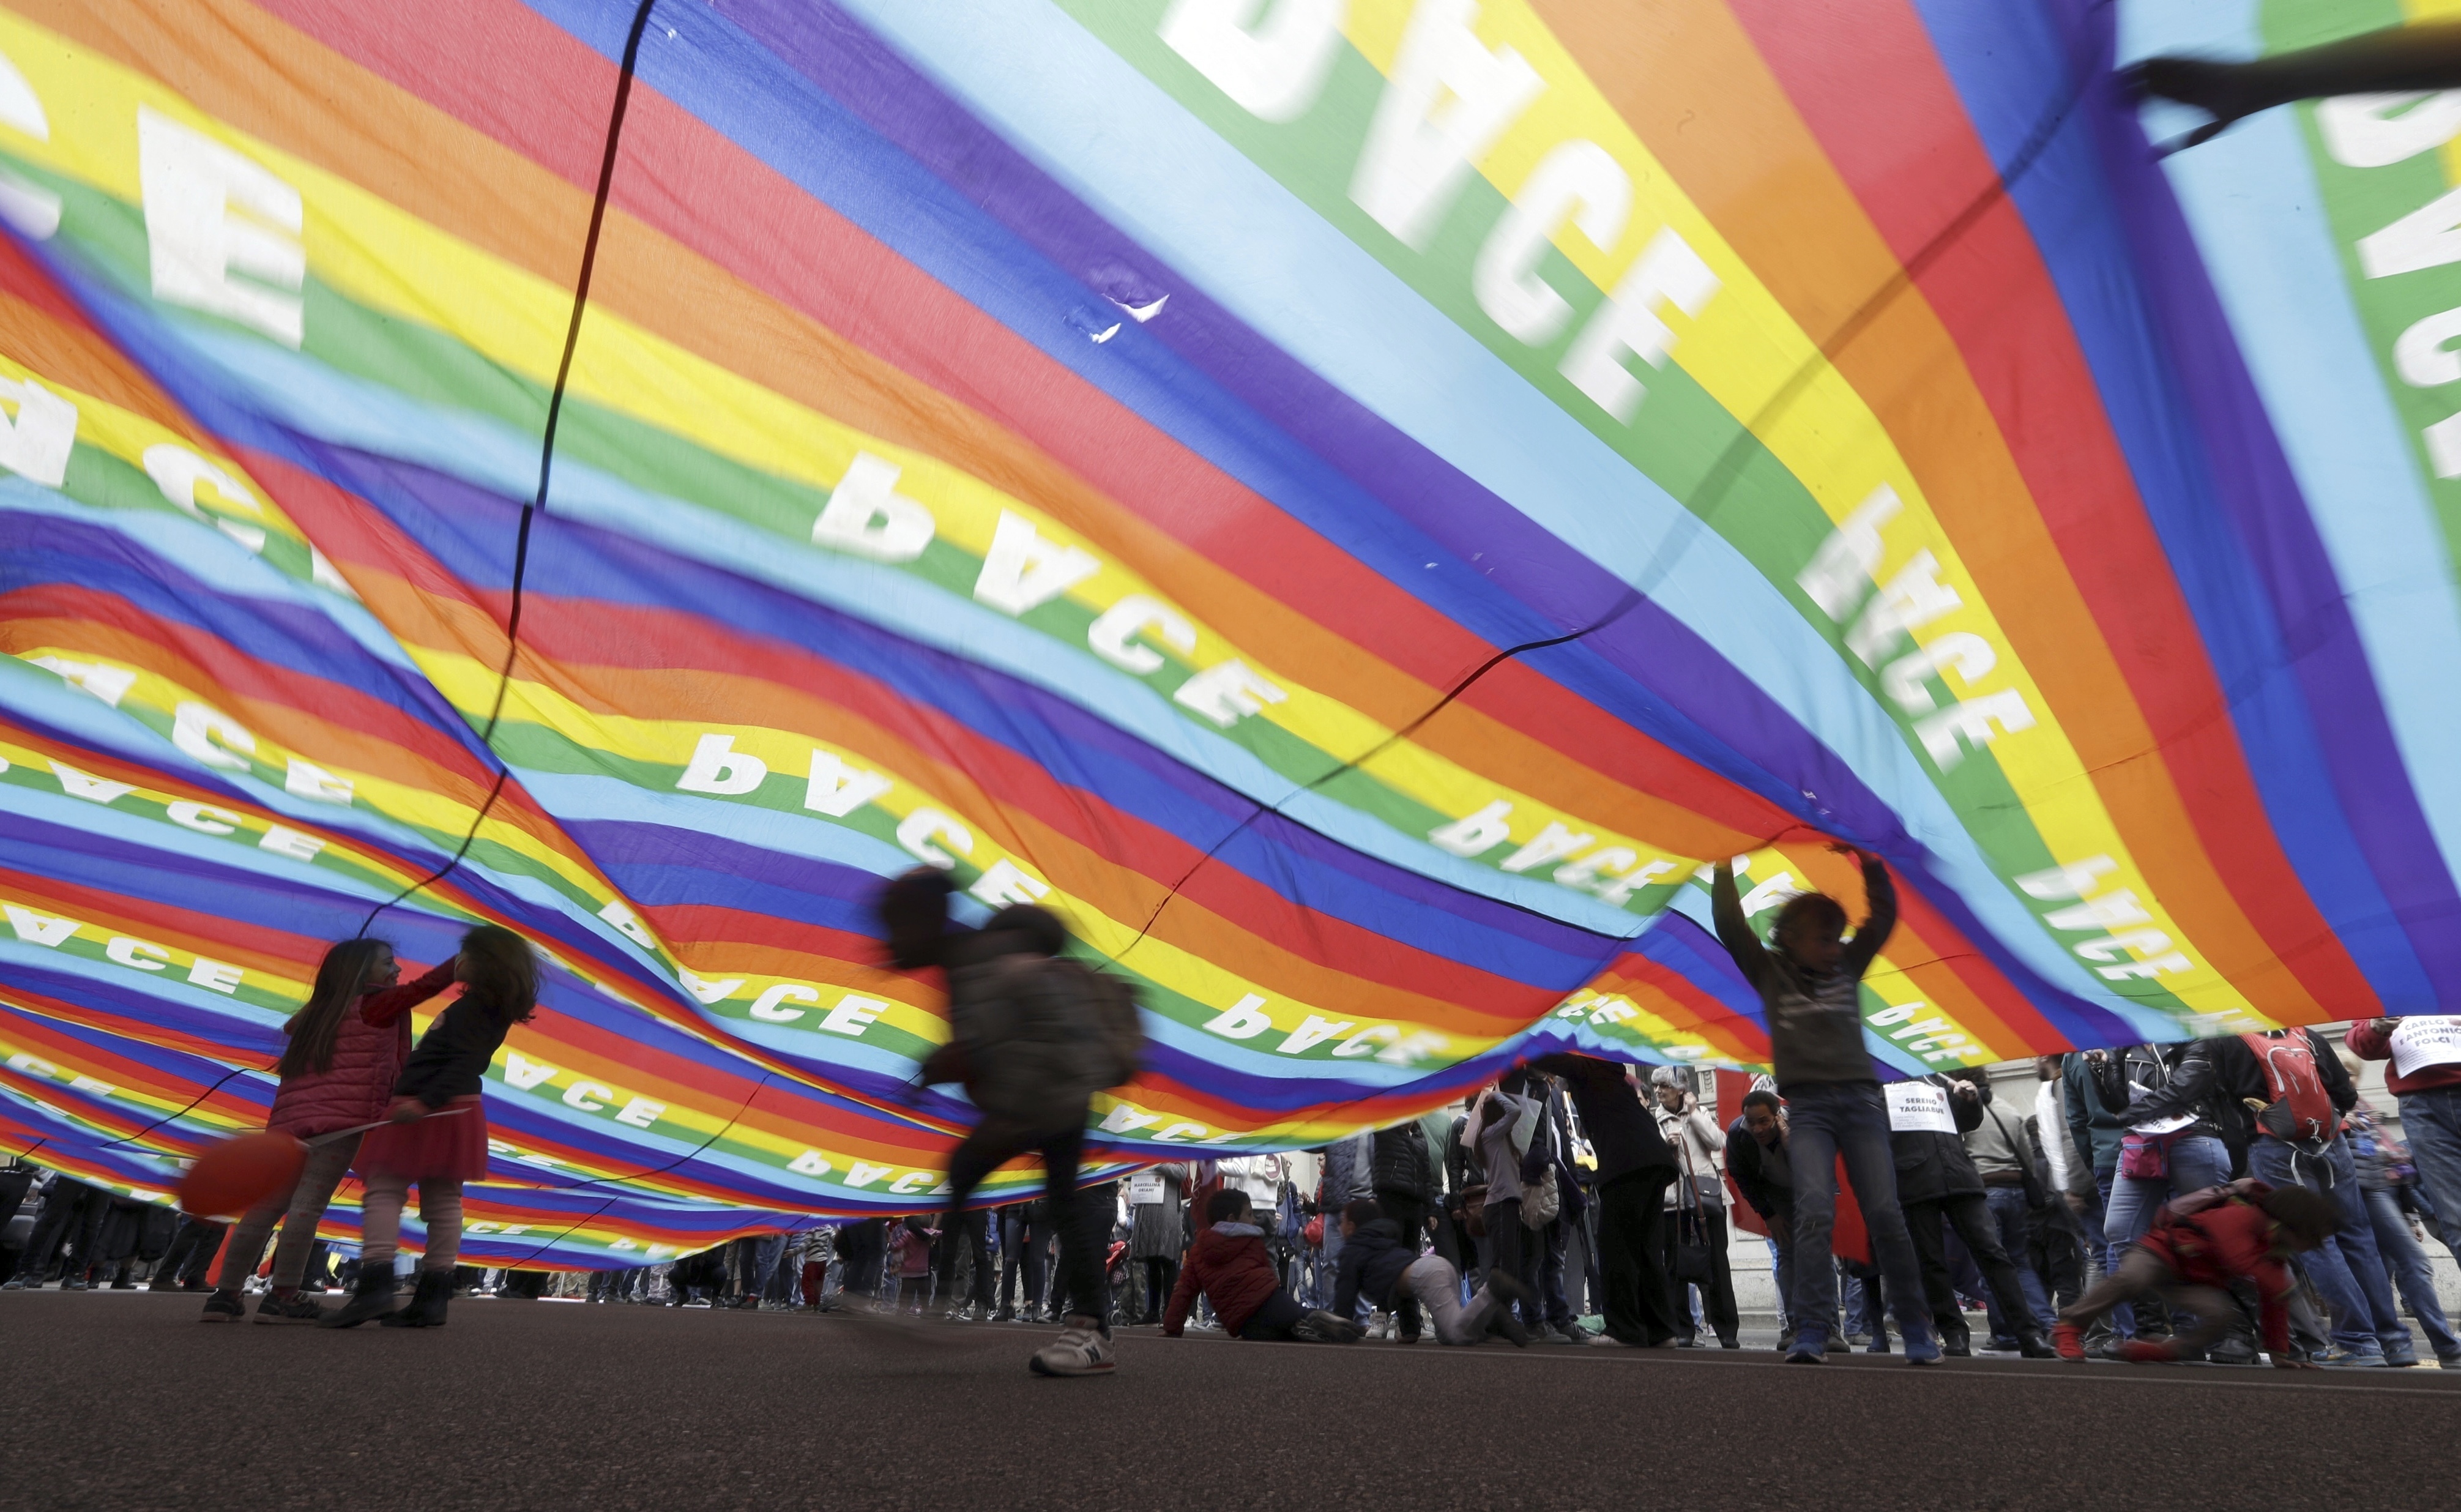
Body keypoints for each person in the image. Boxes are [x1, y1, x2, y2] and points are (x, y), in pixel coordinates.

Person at [882, 870, 1142, 1377]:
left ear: (925, 918)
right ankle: (1083, 1326)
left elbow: (1029, 1046)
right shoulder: (971, 965)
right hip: (1046, 1101)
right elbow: (993, 1046)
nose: (886, 943)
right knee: (1041, 1194)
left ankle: (1091, 1329)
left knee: (1054, 1201)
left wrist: (1006, 1106)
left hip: (1050, 1101)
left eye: (894, 923)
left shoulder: (992, 965)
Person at [1710, 846, 1938, 1365]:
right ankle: (1812, 1326)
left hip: (1860, 1102)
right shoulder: (1769, 972)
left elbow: (1882, 919)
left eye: (1837, 937)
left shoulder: (1846, 967)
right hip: (1808, 1107)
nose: (1835, 948)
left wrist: (1871, 861)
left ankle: (1918, 1328)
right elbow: (1730, 924)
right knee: (1813, 1209)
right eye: (1823, 937)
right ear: (1789, 937)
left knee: (1885, 1210)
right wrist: (1722, 863)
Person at [2101, 1029, 2410, 1365]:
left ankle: (2348, 1342)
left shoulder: (2220, 1036)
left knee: (2307, 1242)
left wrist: (2128, 1116)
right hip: (2328, 1137)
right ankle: (2390, 1342)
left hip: (2267, 1139)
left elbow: (2193, 1086)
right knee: (2355, 1239)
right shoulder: (2302, 1033)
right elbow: (2344, 1092)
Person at [192, 939, 439, 1322]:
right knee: (307, 1208)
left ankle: (224, 1297)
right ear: (361, 973)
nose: (397, 972)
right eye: (388, 963)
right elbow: (422, 989)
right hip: (338, 1126)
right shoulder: (374, 1006)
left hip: (286, 1127)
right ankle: (284, 1297)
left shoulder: (313, 1016)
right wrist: (466, 960)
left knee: (264, 1209)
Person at [324, 923, 538, 1330]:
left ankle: (375, 1285)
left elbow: (465, 1062)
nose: (459, 961)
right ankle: (432, 1298)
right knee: (442, 1200)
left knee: (385, 1188)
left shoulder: (476, 1009)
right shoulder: (485, 1006)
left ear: (485, 962)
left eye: (466, 954)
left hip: (429, 1107)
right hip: (454, 1110)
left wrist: (424, 1101)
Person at [2052, 1179, 2339, 1368]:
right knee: (2132, 1278)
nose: (2316, 1245)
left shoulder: (2275, 1251)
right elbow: (2235, 1254)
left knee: (2220, 1314)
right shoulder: (2243, 1215)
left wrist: (2280, 1354)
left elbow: (2274, 1303)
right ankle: (2070, 1324)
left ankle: (2166, 1351)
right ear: (2299, 1225)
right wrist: (2279, 1284)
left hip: (2190, 1280)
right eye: (2316, 1236)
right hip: (2161, 1254)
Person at [1528, 1052, 1681, 1347]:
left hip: (1627, 1164)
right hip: (1651, 1160)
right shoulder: (1610, 1076)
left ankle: (1624, 1330)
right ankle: (1661, 1330)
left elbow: (1552, 1058)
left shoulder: (1590, 1066)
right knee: (1646, 1248)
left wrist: (1521, 1039)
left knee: (1616, 1247)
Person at [2347, 1014, 2461, 1360]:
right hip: (2419, 1105)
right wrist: (2378, 1027)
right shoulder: (2385, 982)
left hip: (2384, 1187)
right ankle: (2425, 1346)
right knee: (2454, 1221)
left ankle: (2420, 1345)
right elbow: (2362, 1042)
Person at [1161, 1188, 1358, 1342]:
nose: (1253, 1219)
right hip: (1270, 1300)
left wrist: (1172, 1327)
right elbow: (1267, 1274)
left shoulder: (1198, 1252)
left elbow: (1183, 1291)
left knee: (1278, 1333)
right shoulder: (1251, 1238)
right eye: (1249, 1214)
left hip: (1243, 1322)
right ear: (1232, 1219)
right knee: (1298, 1315)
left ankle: (1301, 1328)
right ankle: (1317, 1320)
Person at [1331, 1197, 1528, 1346]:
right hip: (1437, 1268)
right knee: (1446, 1338)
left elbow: (1345, 1294)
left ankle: (1491, 1291)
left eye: (1342, 1221)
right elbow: (1400, 1292)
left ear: (1351, 1227)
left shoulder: (1352, 1252)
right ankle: (1490, 1320)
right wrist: (1411, 1332)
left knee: (1457, 1334)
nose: (1339, 1226)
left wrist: (1340, 1328)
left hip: (1428, 1276)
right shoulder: (1382, 1243)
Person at [1651, 1067, 1737, 1348]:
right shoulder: (1655, 1121)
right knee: (1674, 1265)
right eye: (1656, 1086)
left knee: (1717, 1263)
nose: (1659, 1091)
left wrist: (1695, 1113)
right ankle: (1683, 1329)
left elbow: (1717, 1142)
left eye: (1664, 1085)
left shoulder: (1699, 1114)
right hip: (1672, 1204)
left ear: (1680, 1088)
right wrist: (1666, 1147)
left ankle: (1726, 1329)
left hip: (1706, 1199)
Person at [1725, 1088, 1811, 1352]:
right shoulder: (1738, 1135)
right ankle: (1794, 1326)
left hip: (1808, 1190)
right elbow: (1742, 1179)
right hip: (1775, 1196)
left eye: (1764, 1121)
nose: (1758, 1128)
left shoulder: (1798, 1121)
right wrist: (1768, 1214)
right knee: (1787, 1256)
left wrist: (1787, 1137)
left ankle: (1828, 1327)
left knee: (1818, 1255)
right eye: (1752, 1122)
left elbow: (1814, 1163)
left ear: (1777, 1116)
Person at [1127, 1163, 1186, 1327]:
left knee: (1167, 1260)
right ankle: (1152, 1311)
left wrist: (1157, 1160)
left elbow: (1182, 1172)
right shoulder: (1144, 1146)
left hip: (1165, 1211)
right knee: (1151, 1261)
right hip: (1145, 1209)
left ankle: (1169, 1311)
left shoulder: (1174, 1144)